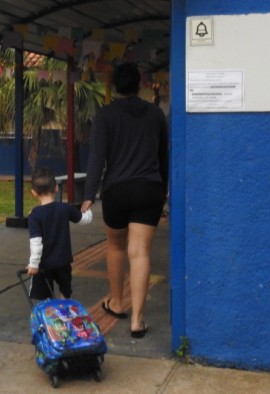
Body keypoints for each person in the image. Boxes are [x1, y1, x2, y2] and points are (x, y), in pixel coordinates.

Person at [81, 62, 168, 339]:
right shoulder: (155, 115)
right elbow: (163, 157)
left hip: (116, 192)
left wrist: (88, 196)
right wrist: (163, 190)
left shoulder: (105, 115)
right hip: (148, 190)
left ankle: (117, 304)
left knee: (116, 247)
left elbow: (97, 158)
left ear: (116, 86)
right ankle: (138, 320)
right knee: (140, 252)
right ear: (140, 84)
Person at [26, 167, 93, 300]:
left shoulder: (35, 215)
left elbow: (36, 243)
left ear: (34, 193)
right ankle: (64, 314)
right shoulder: (65, 208)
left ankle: (49, 316)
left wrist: (33, 264)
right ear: (56, 188)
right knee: (65, 290)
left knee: (44, 295)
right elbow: (85, 220)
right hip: (63, 261)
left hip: (44, 264)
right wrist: (87, 208)